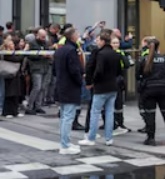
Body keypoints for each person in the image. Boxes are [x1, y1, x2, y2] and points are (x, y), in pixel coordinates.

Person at [81, 31, 121, 145]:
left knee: (95, 112)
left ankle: (91, 138)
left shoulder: (101, 54)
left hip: (101, 87)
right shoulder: (115, 54)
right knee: (109, 112)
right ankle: (109, 138)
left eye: (99, 41)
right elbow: (119, 71)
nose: (97, 43)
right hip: (113, 86)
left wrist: (92, 81)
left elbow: (99, 71)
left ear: (103, 41)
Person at [138, 37, 165, 146]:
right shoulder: (164, 59)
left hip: (148, 90)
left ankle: (151, 138)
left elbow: (138, 76)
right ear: (158, 47)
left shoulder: (144, 59)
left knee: (150, 114)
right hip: (163, 89)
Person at [54, 26, 85, 154]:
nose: (78, 35)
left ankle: (64, 142)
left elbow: (54, 70)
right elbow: (74, 70)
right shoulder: (71, 51)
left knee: (64, 116)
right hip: (70, 86)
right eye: (77, 34)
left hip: (61, 85)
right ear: (72, 36)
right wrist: (80, 80)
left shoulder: (60, 50)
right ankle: (65, 145)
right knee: (68, 116)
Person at [0, 37, 26, 118]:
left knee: (16, 93)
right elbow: (17, 59)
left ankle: (15, 111)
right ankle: (7, 111)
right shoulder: (6, 53)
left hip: (15, 74)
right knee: (8, 93)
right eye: (11, 44)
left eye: (13, 44)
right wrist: (24, 51)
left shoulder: (13, 52)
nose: (13, 46)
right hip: (7, 74)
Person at [24, 28, 52, 116]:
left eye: (45, 36)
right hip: (36, 68)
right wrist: (41, 55)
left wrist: (48, 56)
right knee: (37, 87)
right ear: (38, 35)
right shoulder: (32, 43)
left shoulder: (46, 43)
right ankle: (30, 106)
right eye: (42, 36)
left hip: (45, 67)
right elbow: (28, 55)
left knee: (43, 87)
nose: (44, 38)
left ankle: (38, 106)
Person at [110, 35, 133, 135]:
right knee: (112, 102)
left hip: (119, 79)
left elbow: (127, 65)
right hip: (112, 79)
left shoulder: (121, 53)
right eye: (114, 43)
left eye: (117, 43)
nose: (116, 45)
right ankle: (114, 123)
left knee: (119, 103)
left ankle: (120, 122)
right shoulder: (110, 54)